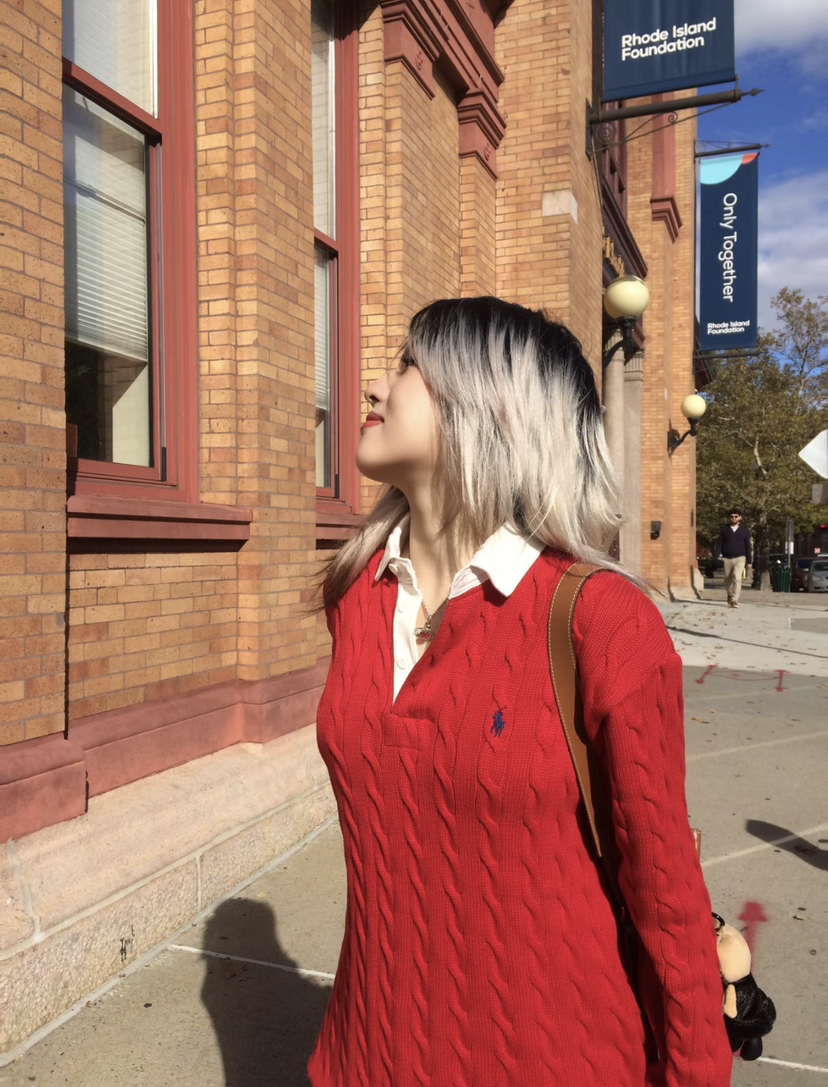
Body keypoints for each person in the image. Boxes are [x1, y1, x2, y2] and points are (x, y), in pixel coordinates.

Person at [309, 298, 733, 1087]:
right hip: (366, 1051)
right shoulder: (357, 594)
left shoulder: (602, 622)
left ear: (489, 407)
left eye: (407, 366)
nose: (374, 385)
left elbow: (666, 894)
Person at [715, 509, 752, 608]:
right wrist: (716, 556)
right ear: (729, 518)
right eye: (731, 516)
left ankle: (735, 600)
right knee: (727, 579)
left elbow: (748, 546)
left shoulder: (744, 530)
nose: (734, 518)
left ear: (740, 517)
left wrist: (749, 561)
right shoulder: (724, 529)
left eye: (736, 516)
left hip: (740, 557)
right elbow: (719, 543)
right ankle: (730, 594)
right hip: (726, 558)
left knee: (737, 577)